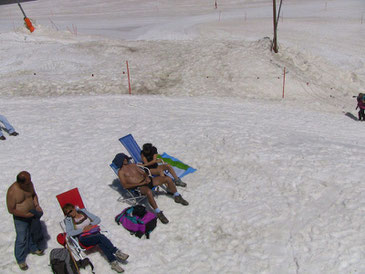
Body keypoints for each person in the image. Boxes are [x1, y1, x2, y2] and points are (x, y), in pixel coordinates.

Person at [113, 153, 189, 225]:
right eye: (124, 159)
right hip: (139, 187)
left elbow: (143, 173)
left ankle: (177, 196)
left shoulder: (133, 165)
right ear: (121, 161)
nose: (126, 159)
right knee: (149, 192)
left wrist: (147, 177)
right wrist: (140, 184)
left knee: (167, 179)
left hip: (147, 181)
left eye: (126, 158)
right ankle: (158, 212)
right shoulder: (121, 172)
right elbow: (125, 185)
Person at [62, 203, 129, 273]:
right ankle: (116, 251)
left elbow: (97, 219)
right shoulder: (69, 220)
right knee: (100, 237)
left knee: (100, 241)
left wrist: (90, 225)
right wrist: (82, 230)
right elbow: (69, 233)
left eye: (71, 211)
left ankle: (113, 263)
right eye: (68, 213)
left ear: (74, 208)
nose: (70, 214)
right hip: (84, 238)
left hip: (93, 234)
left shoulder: (83, 212)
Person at [6, 171, 44, 271]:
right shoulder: (12, 192)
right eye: (27, 182)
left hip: (32, 212)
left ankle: (33, 248)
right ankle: (20, 259)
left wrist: (36, 205)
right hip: (20, 217)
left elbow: (33, 195)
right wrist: (24, 215)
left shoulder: (29, 184)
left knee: (33, 232)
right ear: (21, 183)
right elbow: (11, 209)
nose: (30, 183)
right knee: (21, 238)